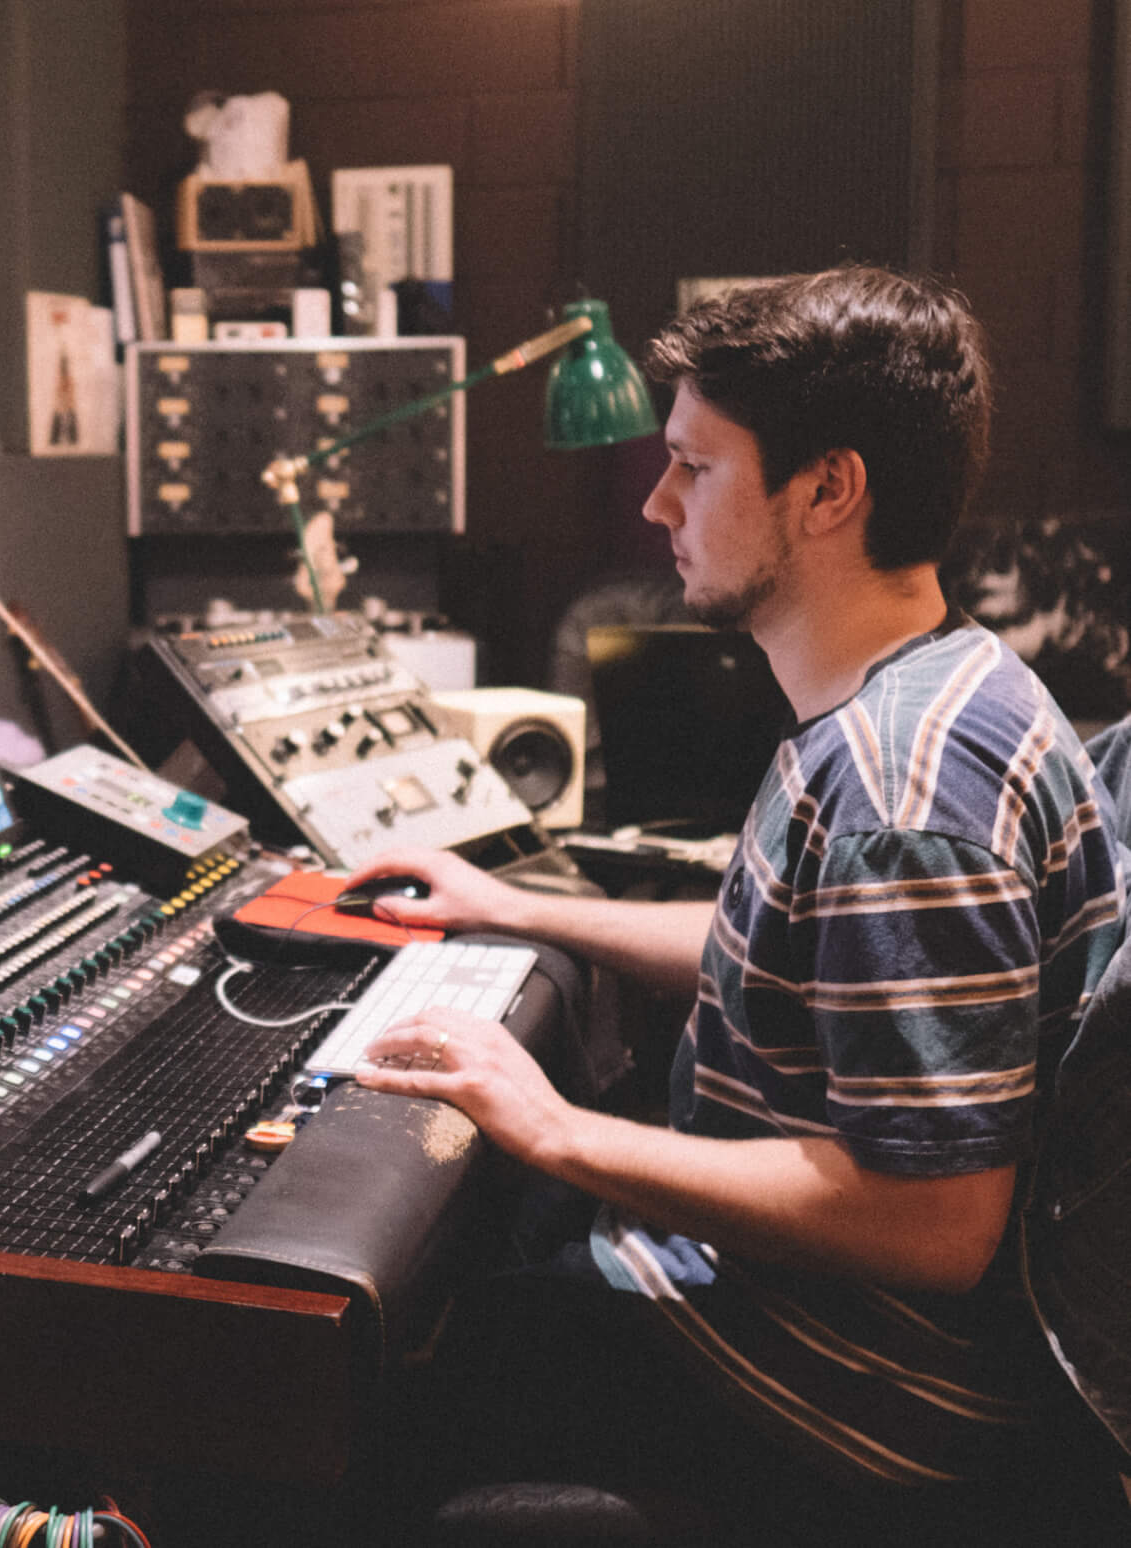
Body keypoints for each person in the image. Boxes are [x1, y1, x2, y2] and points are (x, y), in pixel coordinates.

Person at [350, 266, 1129, 1543]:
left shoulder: (898, 798)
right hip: (825, 1337)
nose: (657, 504)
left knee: (359, 1378)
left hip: (849, 1400)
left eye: (695, 468)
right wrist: (518, 906)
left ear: (828, 488)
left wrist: (552, 1130)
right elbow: (771, 956)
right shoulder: (939, 682)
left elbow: (933, 1222)